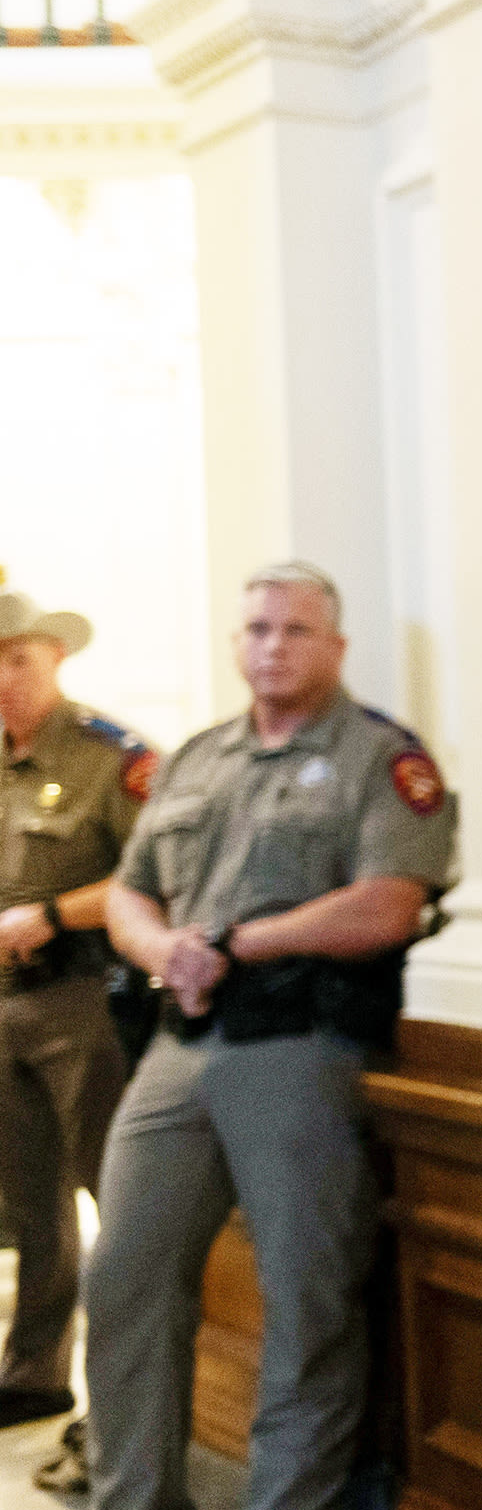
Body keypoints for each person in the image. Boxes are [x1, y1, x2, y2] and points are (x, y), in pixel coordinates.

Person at [11, 561, 458, 1510]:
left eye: (296, 628)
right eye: (256, 626)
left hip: (298, 1045)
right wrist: (166, 945)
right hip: (178, 1042)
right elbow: (129, 889)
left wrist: (241, 941)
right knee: (125, 1280)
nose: (271, 645)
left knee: (307, 1292)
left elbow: (391, 902)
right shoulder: (200, 759)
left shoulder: (379, 760)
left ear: (335, 647)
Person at [0, 592, 154, 1432]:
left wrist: (55, 914)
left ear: (56, 657)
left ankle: (123, 1397)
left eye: (17, 657)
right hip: (3, 1007)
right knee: (30, 1204)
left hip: (82, 1001)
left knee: (113, 1193)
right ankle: (33, 1373)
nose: (3, 678)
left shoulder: (111, 758)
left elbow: (157, 876)